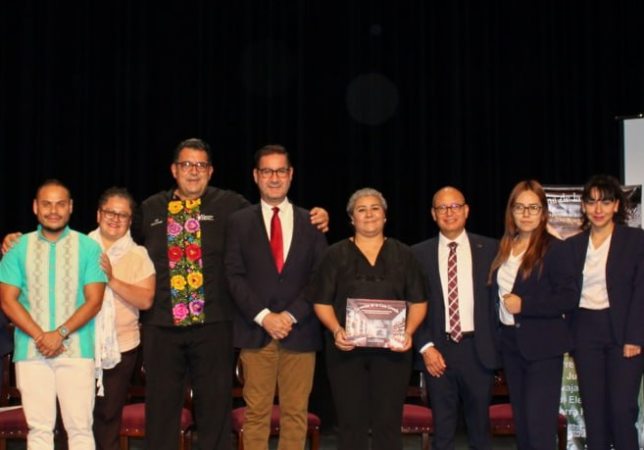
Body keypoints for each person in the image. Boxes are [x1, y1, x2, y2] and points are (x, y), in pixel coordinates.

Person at [133, 138, 329, 450]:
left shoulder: (232, 207)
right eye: (186, 164)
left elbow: (271, 212)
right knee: (161, 411)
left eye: (200, 165)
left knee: (215, 412)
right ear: (173, 170)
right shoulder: (149, 209)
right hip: (161, 325)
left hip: (215, 325)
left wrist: (319, 216)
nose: (193, 172)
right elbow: (115, 242)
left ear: (210, 171)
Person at [224, 144, 328, 450]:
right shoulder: (238, 222)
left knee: (296, 415)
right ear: (256, 176)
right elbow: (233, 275)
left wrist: (291, 315)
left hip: (301, 330)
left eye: (280, 170)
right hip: (256, 330)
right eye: (267, 171)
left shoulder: (312, 221)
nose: (274, 178)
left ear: (291, 175)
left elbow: (319, 277)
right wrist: (265, 316)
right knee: (256, 415)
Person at [312, 187, 427, 450]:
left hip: (393, 353)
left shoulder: (404, 254)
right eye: (361, 210)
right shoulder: (335, 255)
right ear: (352, 218)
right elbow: (321, 301)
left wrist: (408, 332)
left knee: (388, 424)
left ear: (385, 216)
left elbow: (419, 302)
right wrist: (336, 330)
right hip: (346, 352)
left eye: (375, 208)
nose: (369, 214)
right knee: (351, 424)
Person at [0, 179, 106, 450]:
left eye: (60, 204)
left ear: (70, 207)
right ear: (36, 207)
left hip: (77, 351)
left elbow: (94, 301)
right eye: (46, 204)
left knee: (81, 430)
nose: (53, 210)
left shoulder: (89, 248)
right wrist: (41, 336)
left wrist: (59, 335)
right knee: (38, 430)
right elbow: (7, 301)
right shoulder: (17, 248)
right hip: (31, 351)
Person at [489, 180, 577, 450]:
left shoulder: (556, 249)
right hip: (511, 347)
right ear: (511, 212)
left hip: (543, 348)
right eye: (520, 207)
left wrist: (524, 305)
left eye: (533, 207)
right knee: (524, 427)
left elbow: (568, 297)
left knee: (539, 428)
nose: (526, 214)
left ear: (543, 212)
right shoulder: (504, 247)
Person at [412, 186, 498, 450]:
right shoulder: (417, 254)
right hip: (438, 351)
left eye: (455, 206)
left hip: (478, 351)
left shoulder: (492, 249)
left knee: (480, 434)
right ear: (433, 214)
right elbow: (411, 305)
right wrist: (425, 348)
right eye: (442, 208)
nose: (449, 213)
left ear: (466, 210)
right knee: (443, 433)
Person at [566, 174, 644, 450]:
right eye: (591, 201)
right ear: (584, 207)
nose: (598, 208)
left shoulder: (635, 240)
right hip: (585, 332)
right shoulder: (574, 245)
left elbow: (641, 291)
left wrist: (635, 337)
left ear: (616, 206)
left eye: (605, 201)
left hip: (624, 334)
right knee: (595, 415)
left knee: (623, 412)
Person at [90, 187, 155, 450]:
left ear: (130, 221)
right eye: (110, 212)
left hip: (121, 346)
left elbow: (146, 299)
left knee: (108, 417)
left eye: (123, 215)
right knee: (73, 418)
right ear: (98, 214)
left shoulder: (138, 254)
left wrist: (112, 280)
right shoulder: (79, 246)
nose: (115, 219)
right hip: (78, 344)